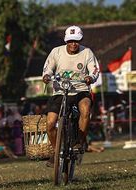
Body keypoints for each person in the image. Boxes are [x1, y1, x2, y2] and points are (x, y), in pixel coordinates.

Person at [42, 25, 99, 167]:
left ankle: (79, 141)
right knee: (50, 122)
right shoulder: (56, 52)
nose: (73, 44)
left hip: (81, 90)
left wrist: (90, 77)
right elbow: (48, 67)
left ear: (80, 41)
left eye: (76, 41)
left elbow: (95, 69)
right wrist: (47, 75)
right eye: (70, 41)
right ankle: (55, 152)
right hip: (61, 91)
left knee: (85, 109)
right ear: (66, 41)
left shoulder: (87, 53)